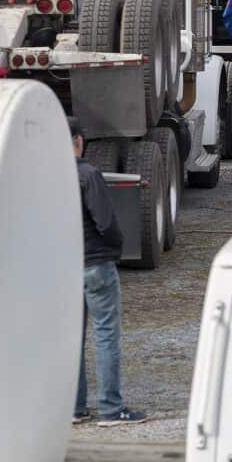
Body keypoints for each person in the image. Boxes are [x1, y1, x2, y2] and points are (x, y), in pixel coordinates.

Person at [70, 117, 148, 426]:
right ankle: (110, 408)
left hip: (64, 269)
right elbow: (105, 221)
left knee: (71, 339)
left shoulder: (45, 177)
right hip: (96, 264)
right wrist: (117, 248)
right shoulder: (88, 176)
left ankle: (75, 408)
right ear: (78, 141)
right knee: (105, 335)